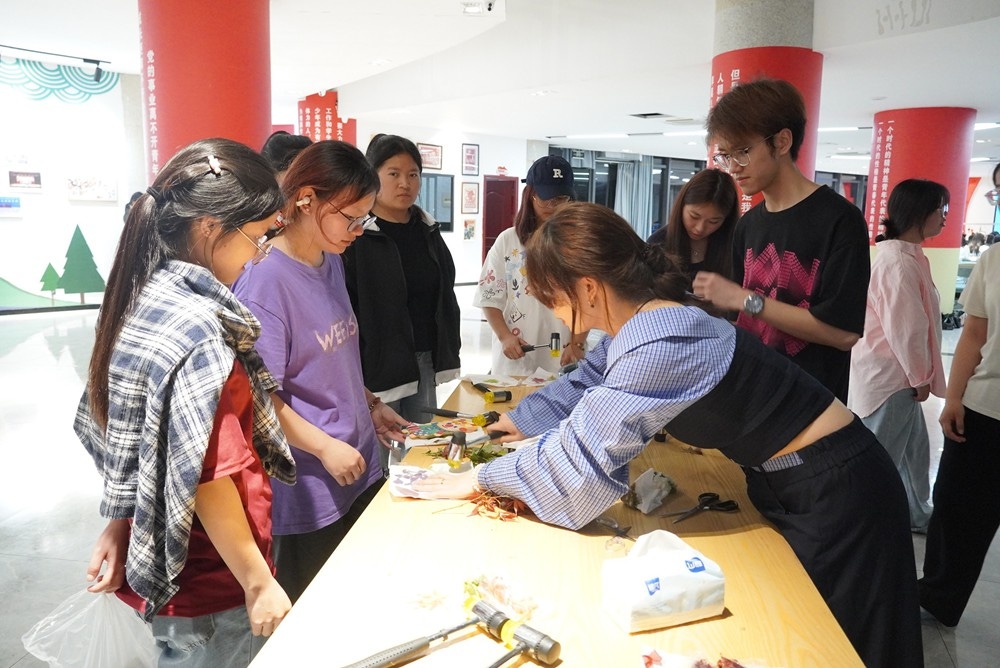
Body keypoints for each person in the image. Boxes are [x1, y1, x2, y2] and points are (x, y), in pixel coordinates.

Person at [414, 203, 923, 668]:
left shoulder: (664, 342)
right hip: (804, 477)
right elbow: (590, 378)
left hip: (841, 493)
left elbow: (578, 465)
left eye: (555, 301)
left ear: (588, 289)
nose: (558, 316)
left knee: (837, 647)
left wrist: (482, 477)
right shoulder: (648, 318)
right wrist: (519, 422)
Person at [75, 138, 297, 665]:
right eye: (258, 237)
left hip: (171, 554)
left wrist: (121, 521)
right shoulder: (198, 330)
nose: (258, 255)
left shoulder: (143, 297)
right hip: (211, 571)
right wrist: (257, 580)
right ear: (209, 227)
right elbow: (206, 474)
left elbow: (130, 432)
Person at [233, 140, 408, 602]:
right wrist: (324, 447)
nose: (358, 230)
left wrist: (370, 404)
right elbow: (256, 397)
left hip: (359, 463)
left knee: (366, 594)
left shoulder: (330, 260)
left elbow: (334, 357)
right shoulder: (265, 281)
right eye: (351, 218)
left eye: (364, 219)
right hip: (311, 482)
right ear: (306, 200)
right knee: (319, 610)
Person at [692, 78, 870, 403]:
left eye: (743, 152)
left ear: (782, 141)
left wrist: (746, 300)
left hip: (810, 407)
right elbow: (741, 321)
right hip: (750, 399)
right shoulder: (747, 226)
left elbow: (842, 334)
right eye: (725, 156)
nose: (733, 167)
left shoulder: (839, 220)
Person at [920, 162, 1000, 627]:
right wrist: (953, 398)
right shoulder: (994, 259)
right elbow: (973, 333)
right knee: (955, 511)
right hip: (985, 407)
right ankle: (938, 597)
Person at [848, 179, 949, 533]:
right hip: (892, 379)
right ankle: (861, 525)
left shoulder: (908, 257)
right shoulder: (898, 263)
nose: (945, 217)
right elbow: (906, 329)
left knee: (912, 453)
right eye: (941, 210)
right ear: (919, 213)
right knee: (883, 459)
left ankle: (917, 514)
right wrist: (921, 377)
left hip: (898, 376)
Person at [342, 134, 461, 430]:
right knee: (379, 445)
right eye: (393, 174)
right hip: (375, 363)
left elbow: (444, 293)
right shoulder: (356, 235)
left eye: (413, 175)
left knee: (421, 442)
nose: (405, 184)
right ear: (372, 176)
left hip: (423, 358)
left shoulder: (427, 230)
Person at [475, 155, 588, 375]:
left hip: (564, 355)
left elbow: (587, 301)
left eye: (560, 199)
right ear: (530, 195)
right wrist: (505, 337)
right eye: (545, 198)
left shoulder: (579, 243)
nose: (553, 207)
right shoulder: (509, 241)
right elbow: (489, 296)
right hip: (517, 354)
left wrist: (577, 342)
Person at [647, 168, 739, 286]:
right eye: (694, 216)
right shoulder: (657, 243)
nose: (700, 228)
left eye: (713, 221)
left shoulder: (736, 245)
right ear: (682, 206)